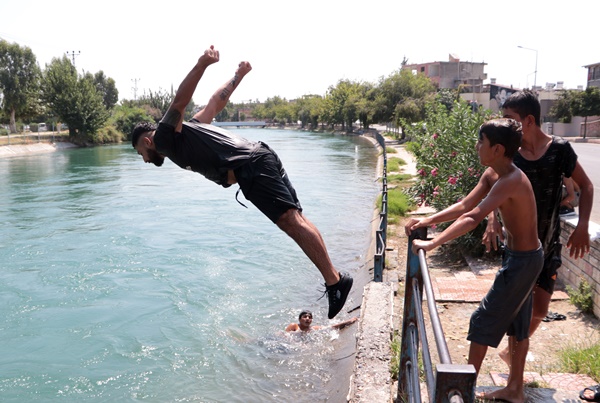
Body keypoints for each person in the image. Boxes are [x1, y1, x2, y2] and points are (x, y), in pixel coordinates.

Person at [131, 46, 352, 319]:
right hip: (261, 155)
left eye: (140, 153)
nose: (144, 160)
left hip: (250, 167)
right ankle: (335, 279)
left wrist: (201, 64)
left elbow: (178, 102)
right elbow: (215, 102)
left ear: (147, 142)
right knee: (297, 219)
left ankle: (335, 282)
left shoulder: (164, 139)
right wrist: (238, 77)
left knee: (289, 222)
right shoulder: (190, 130)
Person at [405, 118, 543, 403]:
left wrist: (433, 242)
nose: (477, 146)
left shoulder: (511, 180)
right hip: (520, 258)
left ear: (497, 149)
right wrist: (428, 220)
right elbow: (465, 205)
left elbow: (472, 217)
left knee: (482, 321)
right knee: (518, 325)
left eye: (482, 142)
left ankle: (463, 392)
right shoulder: (494, 174)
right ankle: (514, 389)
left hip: (525, 262)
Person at [483, 90, 594, 366]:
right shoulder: (511, 156)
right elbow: (490, 190)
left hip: (549, 244)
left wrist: (582, 226)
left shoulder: (559, 150)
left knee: (541, 309)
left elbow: (587, 186)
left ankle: (512, 356)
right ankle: (514, 373)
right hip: (518, 248)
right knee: (517, 308)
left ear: (529, 121)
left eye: (510, 119)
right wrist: (492, 219)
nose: (505, 125)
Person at [285, 310, 358, 333]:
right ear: (299, 319)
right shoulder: (294, 326)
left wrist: (350, 321)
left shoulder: (312, 329)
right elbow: (285, 336)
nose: (307, 318)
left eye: (310, 317)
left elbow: (331, 327)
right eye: (305, 317)